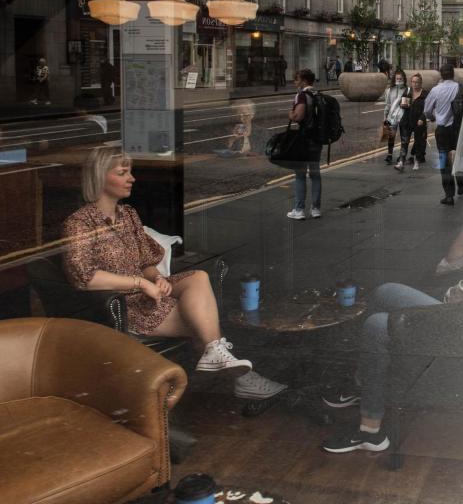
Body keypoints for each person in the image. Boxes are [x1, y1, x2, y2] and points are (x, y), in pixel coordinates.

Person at [63, 147, 286, 400]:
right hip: (122, 307)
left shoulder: (128, 216)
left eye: (131, 172)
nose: (132, 178)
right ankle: (240, 377)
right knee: (203, 324)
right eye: (123, 173)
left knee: (199, 278)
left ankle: (215, 354)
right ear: (100, 176)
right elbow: (84, 277)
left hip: (148, 295)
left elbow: (147, 261)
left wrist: (155, 278)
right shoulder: (80, 223)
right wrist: (140, 283)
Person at [424, 64, 463, 205]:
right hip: (458, 128)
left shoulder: (435, 90)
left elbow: (427, 110)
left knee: (444, 161)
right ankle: (462, 183)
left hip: (442, 130)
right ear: (452, 74)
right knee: (459, 157)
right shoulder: (460, 87)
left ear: (441, 75)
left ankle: (449, 195)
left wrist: (433, 117)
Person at [287, 69, 323, 220]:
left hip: (304, 139)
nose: (295, 83)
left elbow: (298, 116)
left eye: (297, 80)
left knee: (300, 175)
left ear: (304, 81)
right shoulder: (318, 94)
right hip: (318, 139)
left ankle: (299, 209)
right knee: (315, 174)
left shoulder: (302, 95)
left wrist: (290, 114)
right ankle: (315, 209)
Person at [395, 72, 427, 172]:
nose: (415, 84)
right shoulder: (407, 91)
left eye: (417, 82)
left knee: (418, 142)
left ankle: (417, 161)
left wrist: (422, 118)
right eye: (413, 82)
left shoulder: (425, 94)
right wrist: (402, 105)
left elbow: (428, 109)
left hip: (419, 122)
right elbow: (402, 104)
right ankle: (401, 162)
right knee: (404, 142)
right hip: (406, 120)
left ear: (421, 83)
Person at [382, 69, 407, 165]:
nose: (399, 80)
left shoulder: (407, 89)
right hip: (392, 117)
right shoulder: (389, 91)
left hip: (403, 117)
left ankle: (401, 156)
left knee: (403, 137)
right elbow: (387, 104)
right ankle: (389, 155)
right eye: (397, 78)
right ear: (394, 79)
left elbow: (408, 104)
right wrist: (385, 117)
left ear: (404, 79)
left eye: (401, 78)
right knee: (391, 136)